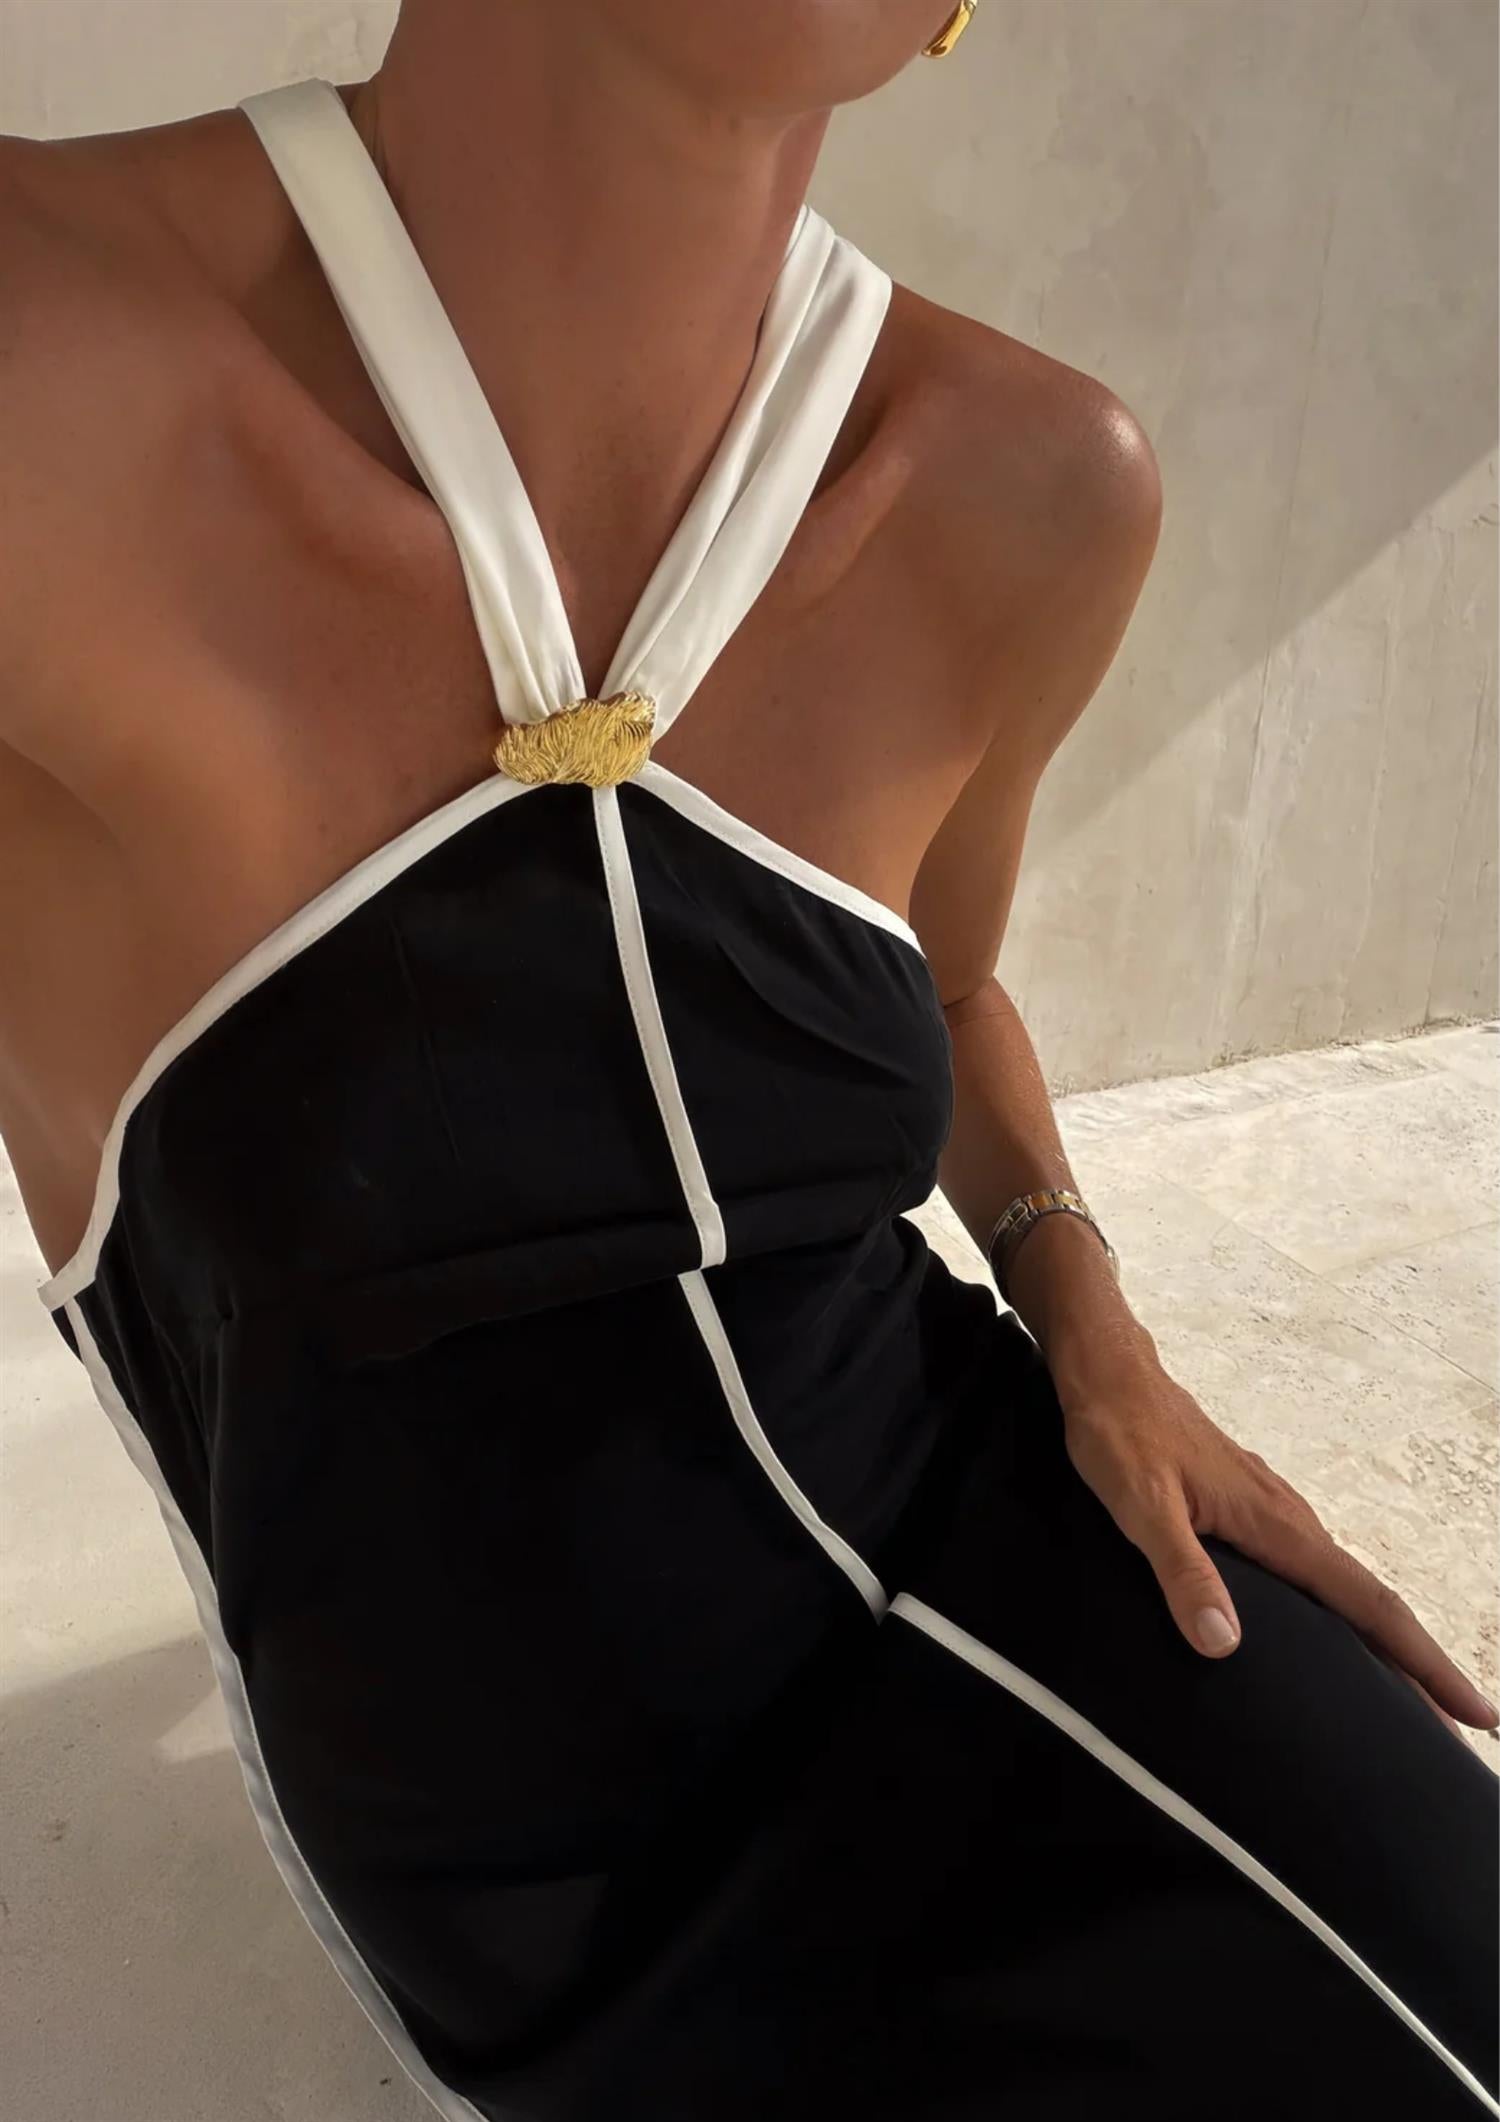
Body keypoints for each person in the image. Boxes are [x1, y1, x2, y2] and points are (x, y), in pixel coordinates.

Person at [1, 5, 1494, 2117]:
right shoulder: (49, 356)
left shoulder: (1024, 480)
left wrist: (1092, 1318)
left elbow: (943, 989)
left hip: (983, 1532)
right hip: (554, 1879)